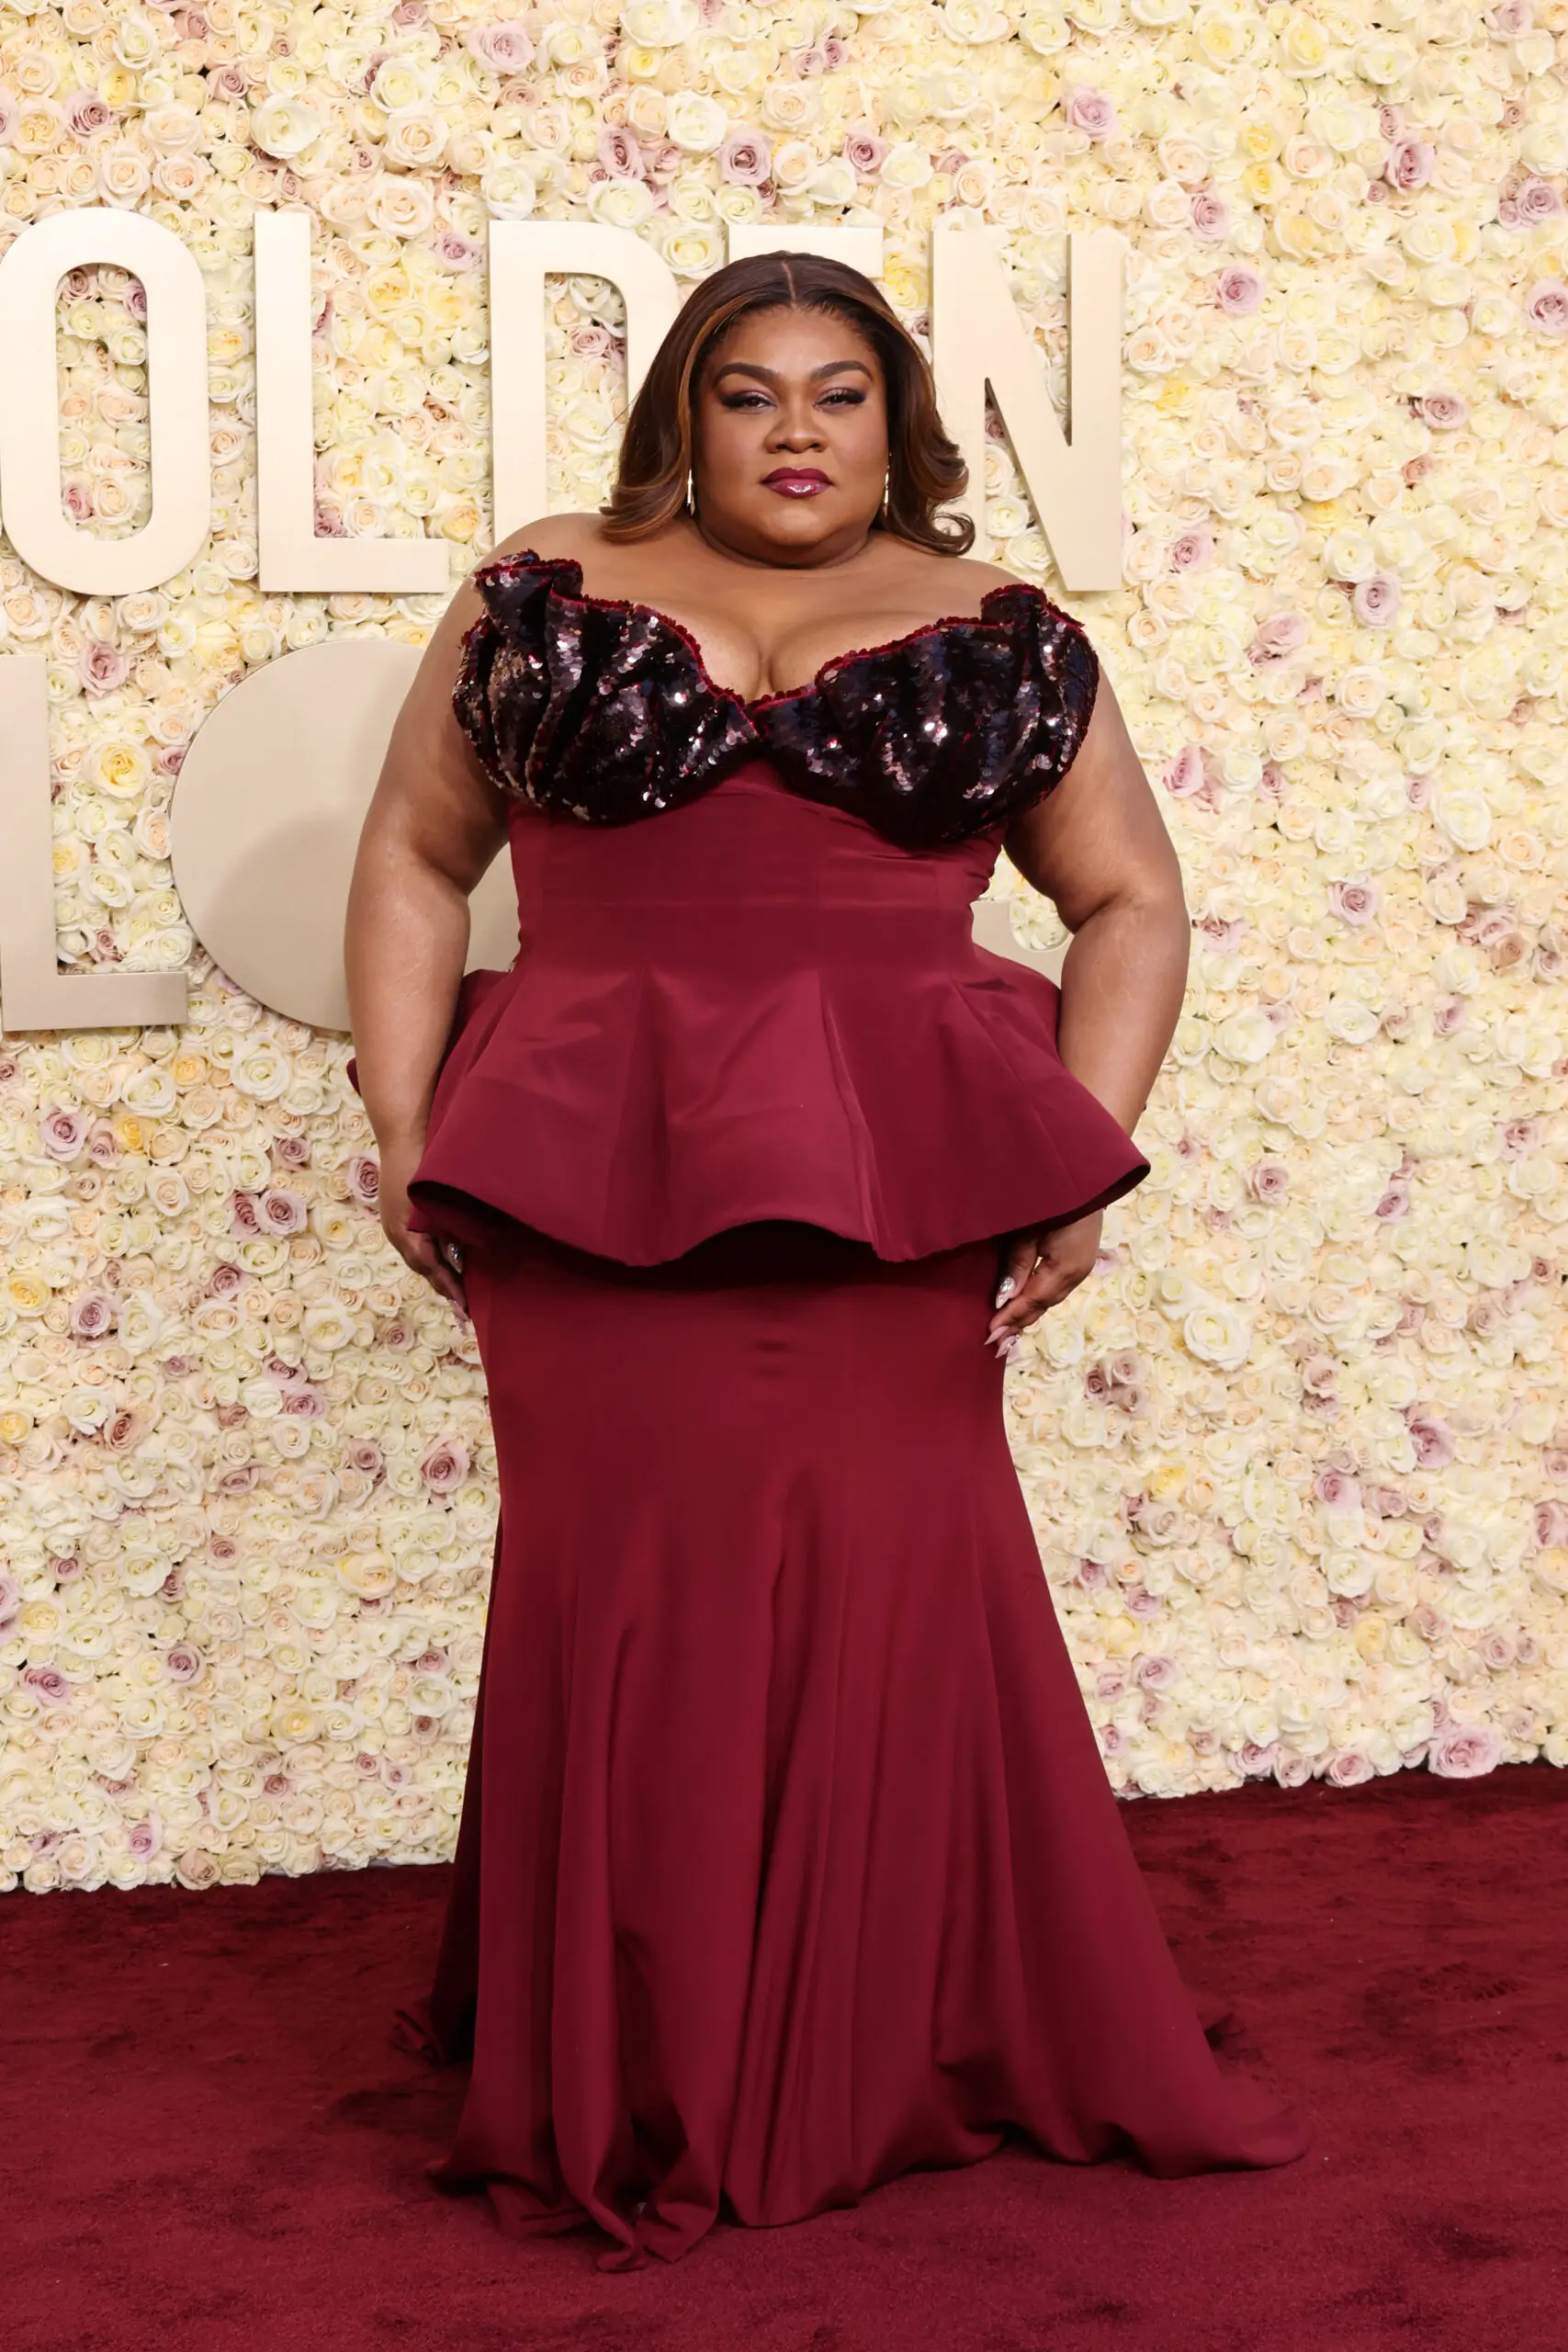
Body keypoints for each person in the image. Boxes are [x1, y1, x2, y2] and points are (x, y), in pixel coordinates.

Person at [343, 251, 1307, 2273]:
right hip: (583, 1179)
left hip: (892, 1191)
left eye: (839, 393)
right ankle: (634, 2053)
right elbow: (421, 857)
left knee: (889, 1593)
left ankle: (874, 2038)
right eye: (749, 391)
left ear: (897, 422)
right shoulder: (542, 579)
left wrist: (1083, 1159)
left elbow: (1130, 897)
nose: (795, 429)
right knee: (622, 1601)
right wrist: (407, 1119)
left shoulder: (998, 626)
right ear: (680, 417)